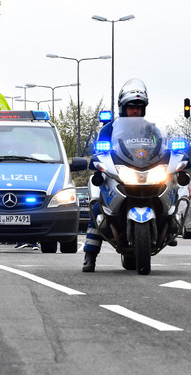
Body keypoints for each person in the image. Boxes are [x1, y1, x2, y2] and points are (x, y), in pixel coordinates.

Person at [83, 78, 150, 272]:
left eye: (139, 106)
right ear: (123, 107)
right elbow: (98, 152)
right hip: (118, 175)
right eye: (131, 107)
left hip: (146, 174)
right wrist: (98, 161)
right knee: (98, 206)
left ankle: (169, 223)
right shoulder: (109, 129)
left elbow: (162, 149)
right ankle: (90, 255)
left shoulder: (150, 129)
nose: (135, 110)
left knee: (172, 184)